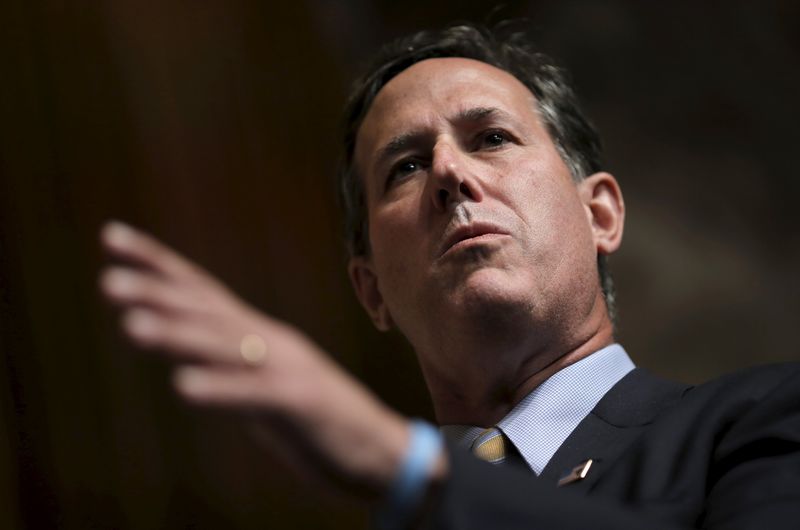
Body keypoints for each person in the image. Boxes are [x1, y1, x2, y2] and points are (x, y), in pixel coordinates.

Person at [99, 23, 800, 529]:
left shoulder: (759, 420)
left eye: (491, 138)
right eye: (405, 166)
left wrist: (407, 466)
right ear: (370, 290)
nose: (449, 173)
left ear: (601, 215)